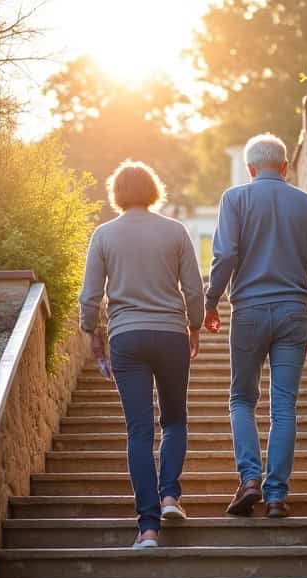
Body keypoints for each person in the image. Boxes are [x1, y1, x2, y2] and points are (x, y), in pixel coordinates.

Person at [204, 133, 307, 519]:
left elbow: (225, 255)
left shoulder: (234, 199)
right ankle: (276, 496)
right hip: (295, 314)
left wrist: (210, 301)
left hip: (249, 312)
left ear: (250, 169)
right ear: (285, 167)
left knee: (242, 399)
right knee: (284, 406)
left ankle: (249, 479)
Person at [79, 160, 204, 549]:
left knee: (139, 430)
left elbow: (90, 296)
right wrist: (195, 326)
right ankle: (170, 497)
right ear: (153, 190)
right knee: (174, 420)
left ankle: (148, 529)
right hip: (171, 335)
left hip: (126, 337)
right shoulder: (176, 231)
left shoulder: (104, 235)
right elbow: (193, 289)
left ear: (116, 193)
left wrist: (92, 332)